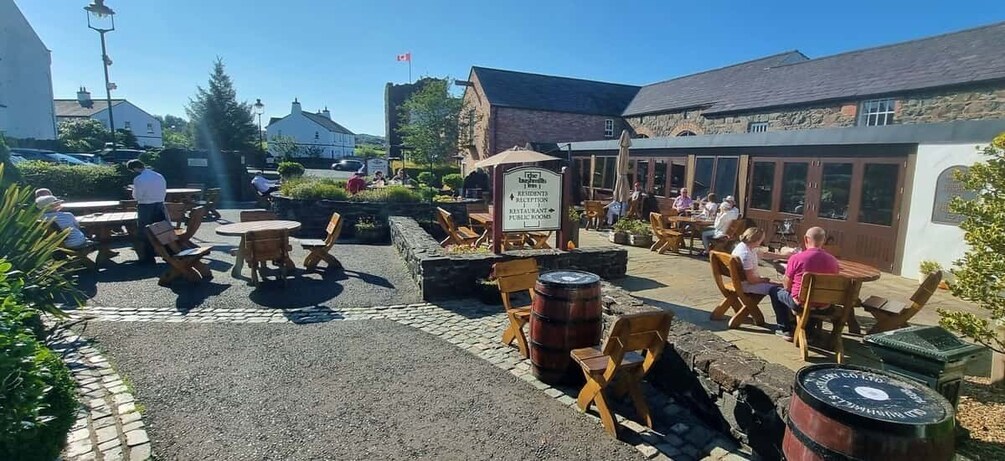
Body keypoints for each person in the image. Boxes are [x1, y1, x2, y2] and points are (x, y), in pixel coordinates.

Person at [767, 227, 840, 341]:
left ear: (806, 239)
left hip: (801, 303)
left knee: (775, 291)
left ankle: (786, 329)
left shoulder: (796, 258)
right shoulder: (833, 261)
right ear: (823, 240)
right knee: (815, 297)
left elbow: (787, 286)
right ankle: (808, 330)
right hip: (824, 305)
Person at [128, 159, 167, 264]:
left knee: (145, 232)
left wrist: (133, 191)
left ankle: (148, 257)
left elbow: (137, 196)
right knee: (162, 230)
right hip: (159, 204)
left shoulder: (139, 179)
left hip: (146, 206)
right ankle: (169, 253)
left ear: (134, 168)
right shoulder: (159, 176)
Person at [731, 227, 778, 295]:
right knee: (779, 290)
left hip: (742, 281)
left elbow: (764, 254)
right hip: (746, 285)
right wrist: (766, 280)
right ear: (756, 241)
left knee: (779, 284)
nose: (762, 242)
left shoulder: (744, 246)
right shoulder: (746, 255)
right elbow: (752, 280)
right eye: (761, 240)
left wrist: (785, 256)